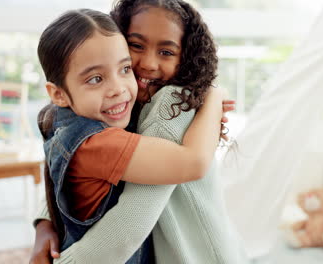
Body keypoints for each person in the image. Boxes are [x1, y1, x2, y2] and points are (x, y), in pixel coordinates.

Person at [34, 7, 225, 264]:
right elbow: (193, 162)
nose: (117, 88)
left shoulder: (84, 115)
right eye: (96, 78)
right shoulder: (98, 137)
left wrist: (45, 222)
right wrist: (214, 96)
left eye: (124, 69)